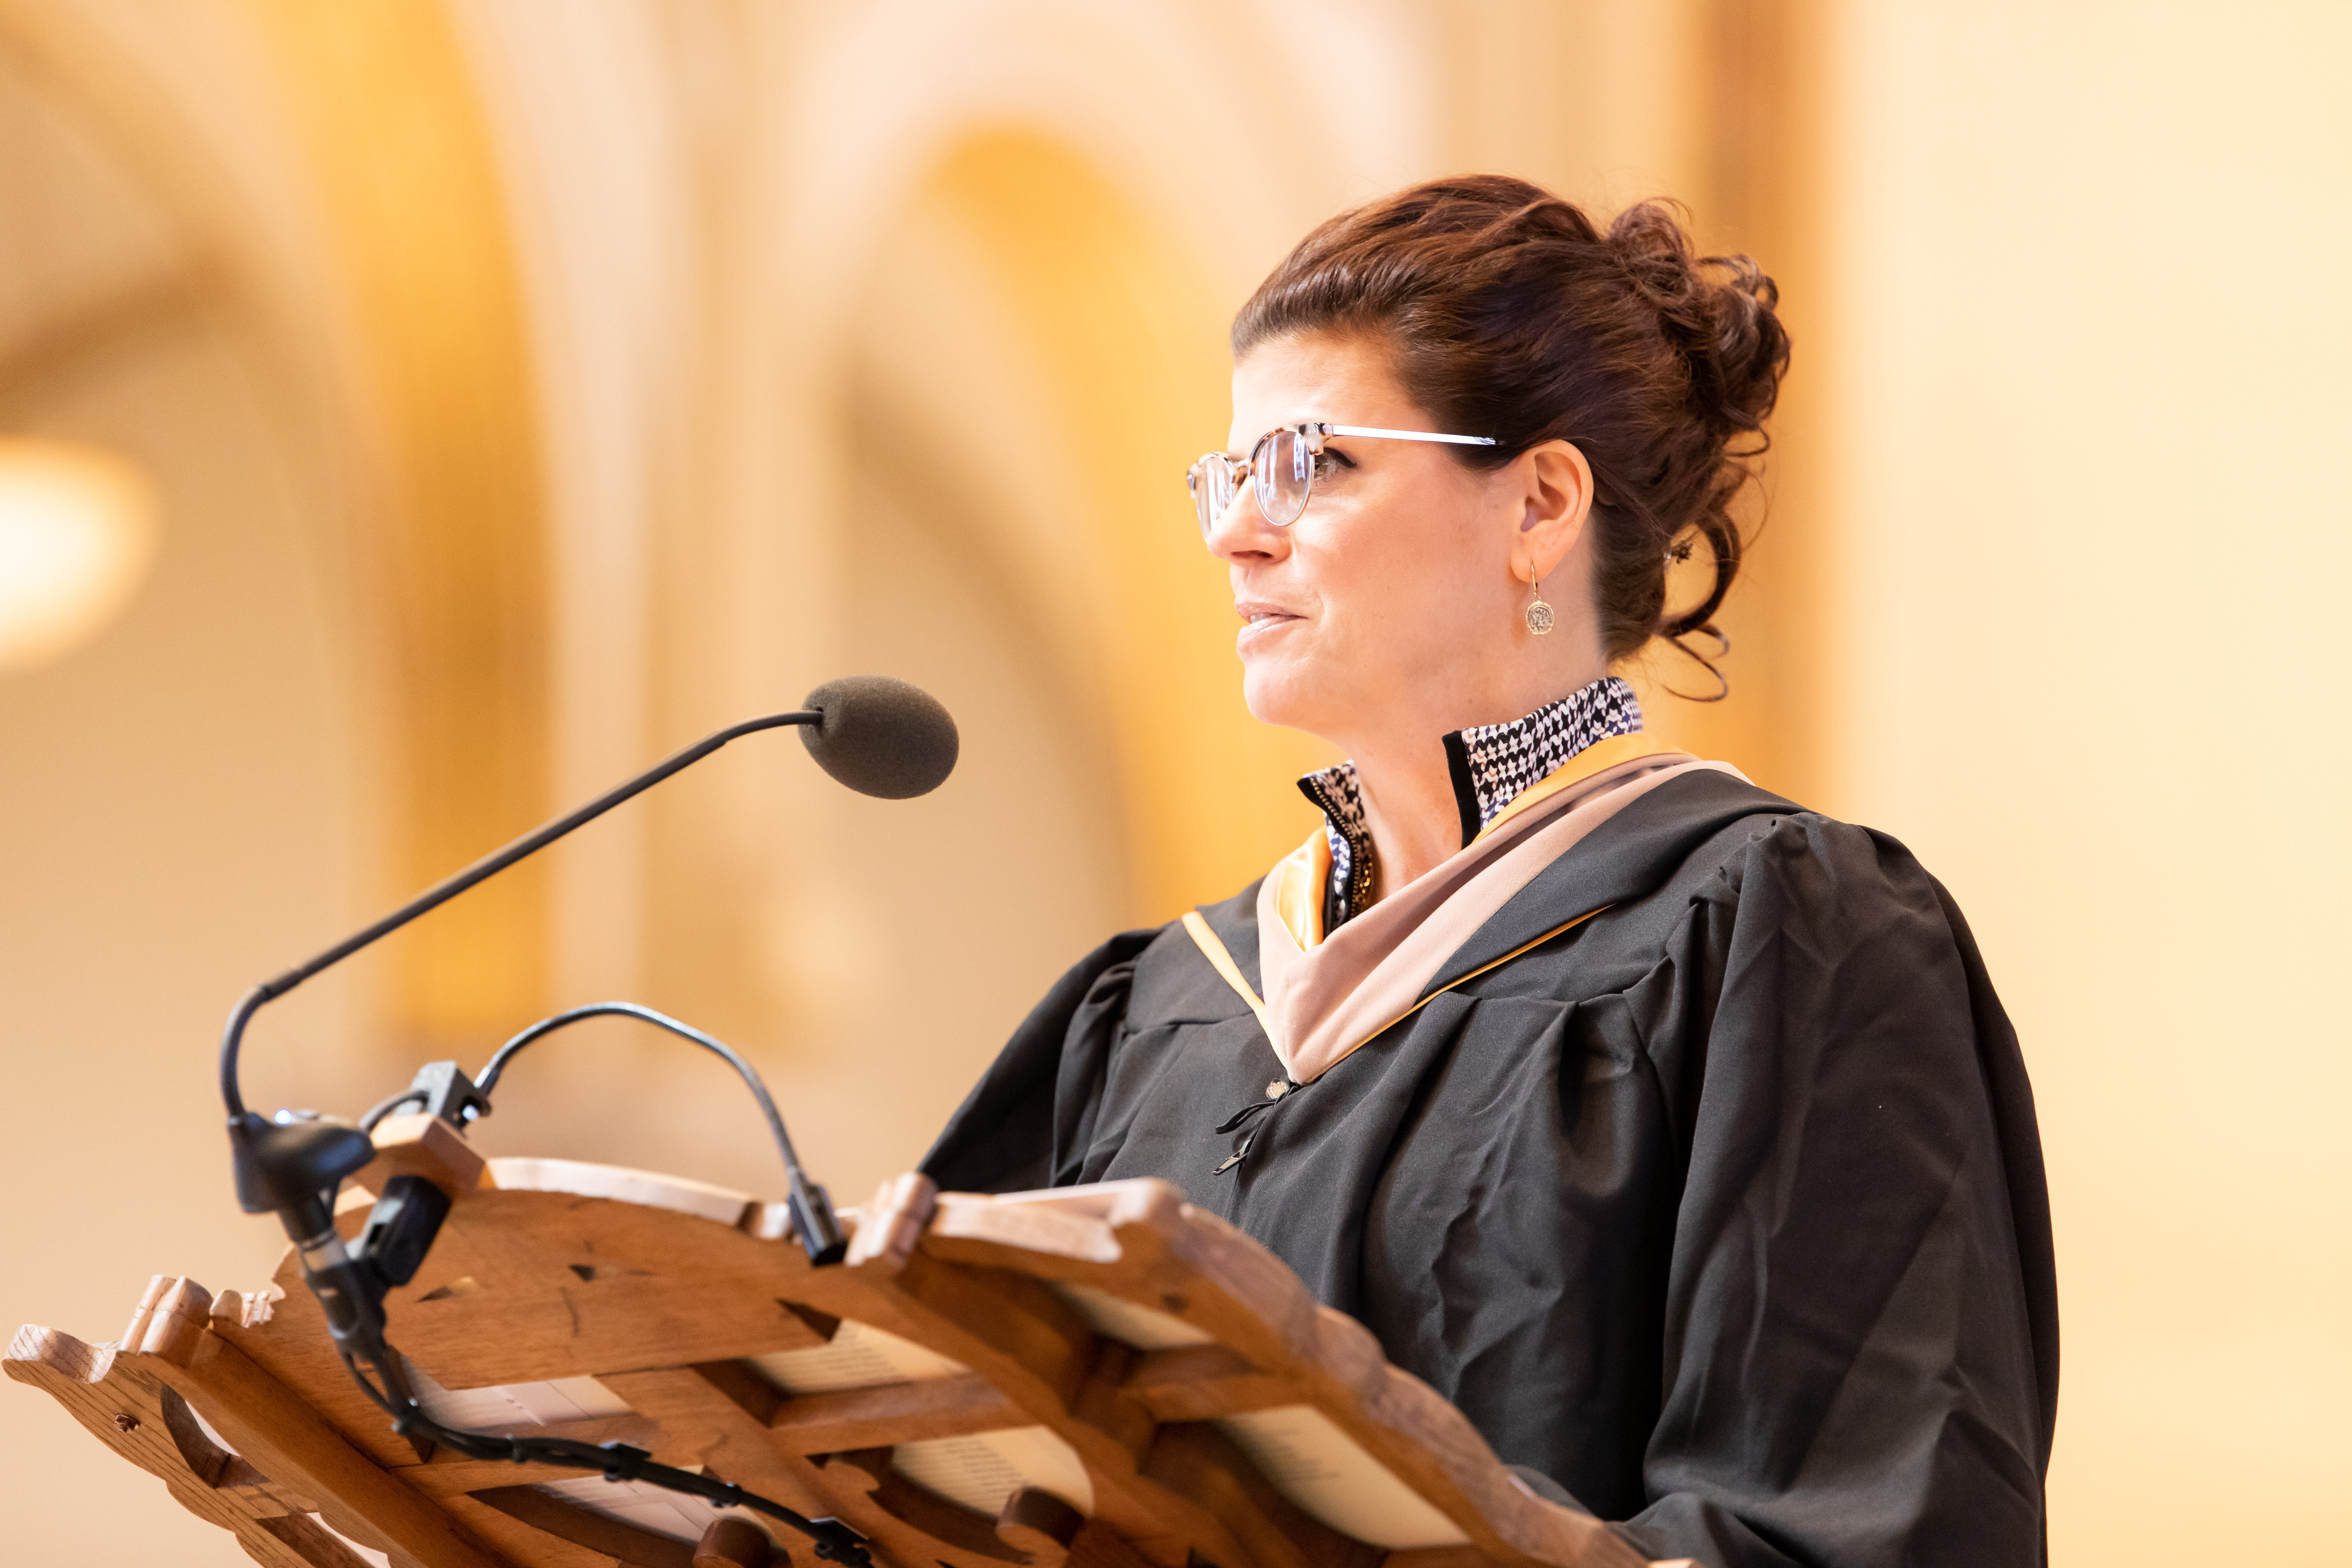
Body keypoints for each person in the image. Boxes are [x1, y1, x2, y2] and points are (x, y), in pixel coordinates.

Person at [922, 175, 2056, 1568]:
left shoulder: (1781, 937)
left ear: (1538, 504)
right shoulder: (1158, 1011)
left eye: (1311, 465)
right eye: (1227, 476)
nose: (1235, 532)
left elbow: (1863, 1528)